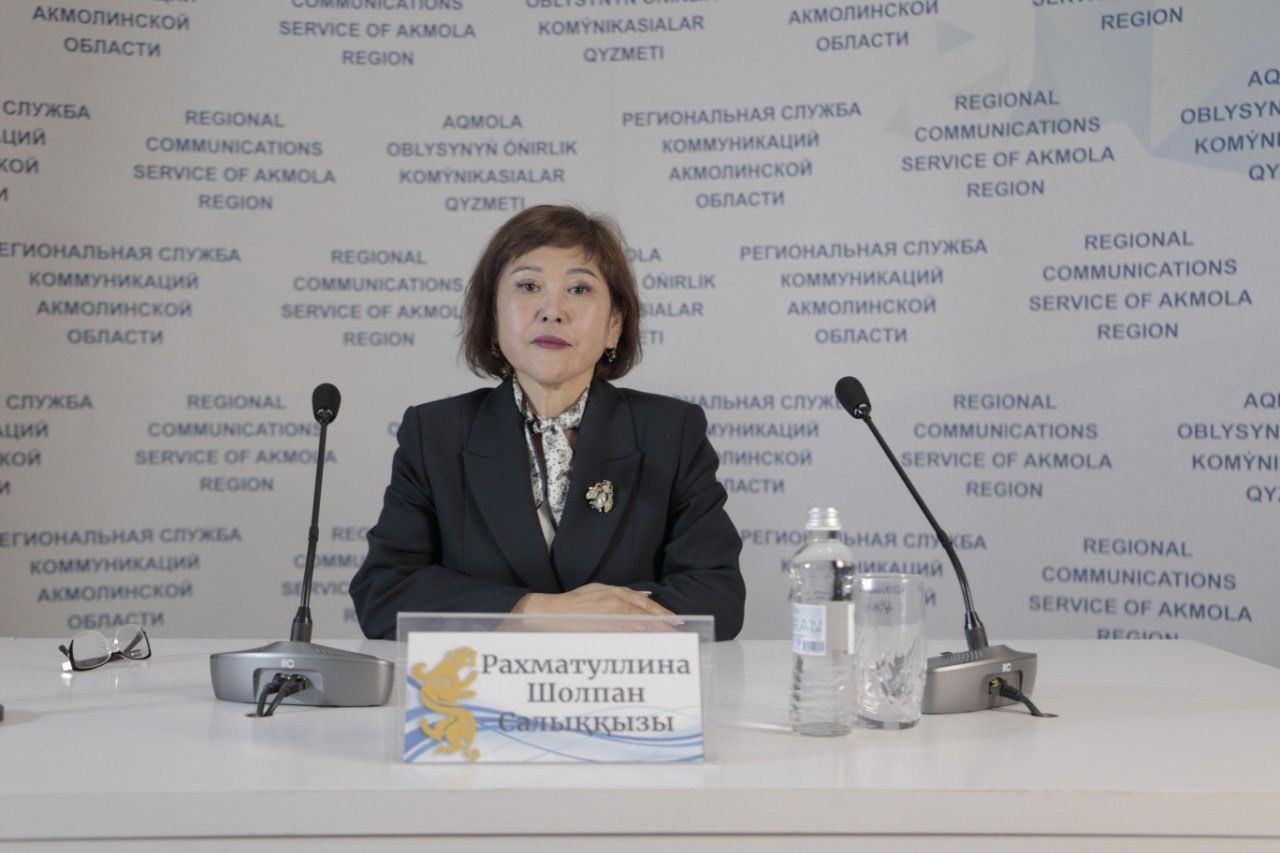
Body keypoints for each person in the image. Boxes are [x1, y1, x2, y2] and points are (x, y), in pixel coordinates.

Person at [350, 205, 745, 641]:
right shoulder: (436, 434)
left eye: (578, 288)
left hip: (615, 682)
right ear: (493, 319)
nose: (552, 311)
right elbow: (383, 593)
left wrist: (589, 619)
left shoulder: (670, 432)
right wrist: (536, 610)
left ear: (614, 325)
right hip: (483, 682)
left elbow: (718, 596)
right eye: (529, 286)